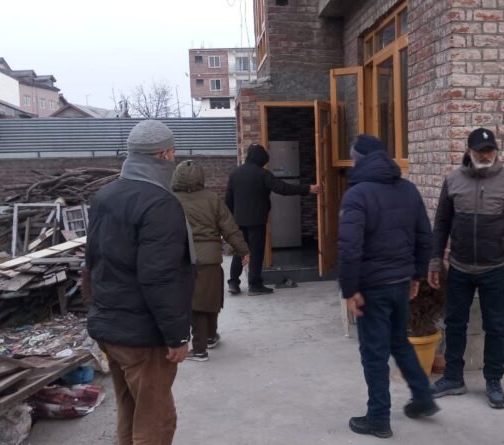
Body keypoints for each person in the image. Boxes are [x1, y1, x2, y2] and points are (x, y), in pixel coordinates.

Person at [86, 119, 194, 445]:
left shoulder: (105, 195)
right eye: (172, 153)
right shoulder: (160, 203)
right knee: (156, 423)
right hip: (143, 336)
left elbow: (91, 262)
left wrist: (96, 312)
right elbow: (159, 277)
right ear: (163, 154)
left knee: (131, 411)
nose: (174, 159)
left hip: (110, 328)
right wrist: (177, 336)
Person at [339, 135, 439, 439]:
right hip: (400, 282)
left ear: (358, 159)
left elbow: (349, 248)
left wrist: (350, 289)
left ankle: (378, 418)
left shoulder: (357, 195)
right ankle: (423, 398)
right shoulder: (408, 189)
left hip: (372, 287)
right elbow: (425, 237)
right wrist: (416, 276)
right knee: (399, 342)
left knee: (374, 352)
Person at [428, 127, 504, 409]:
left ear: (496, 151)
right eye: (480, 151)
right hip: (460, 267)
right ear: (469, 151)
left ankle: (493, 381)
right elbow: (441, 224)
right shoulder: (452, 181)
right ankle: (453, 378)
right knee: (455, 324)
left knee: (495, 327)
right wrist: (435, 260)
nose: (485, 156)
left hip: (494, 268)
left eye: (489, 151)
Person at [172, 160, 250, 362]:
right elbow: (229, 227)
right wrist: (243, 250)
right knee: (211, 299)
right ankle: (210, 336)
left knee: (195, 305)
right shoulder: (212, 199)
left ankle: (199, 350)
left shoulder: (171, 200)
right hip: (211, 258)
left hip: (184, 259)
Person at [225, 143, 320, 296]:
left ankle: (234, 283)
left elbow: (228, 199)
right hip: (257, 220)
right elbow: (283, 188)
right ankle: (255, 285)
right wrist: (307, 188)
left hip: (238, 220)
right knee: (256, 252)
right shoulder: (262, 174)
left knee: (239, 250)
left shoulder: (235, 173)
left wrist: (232, 217)